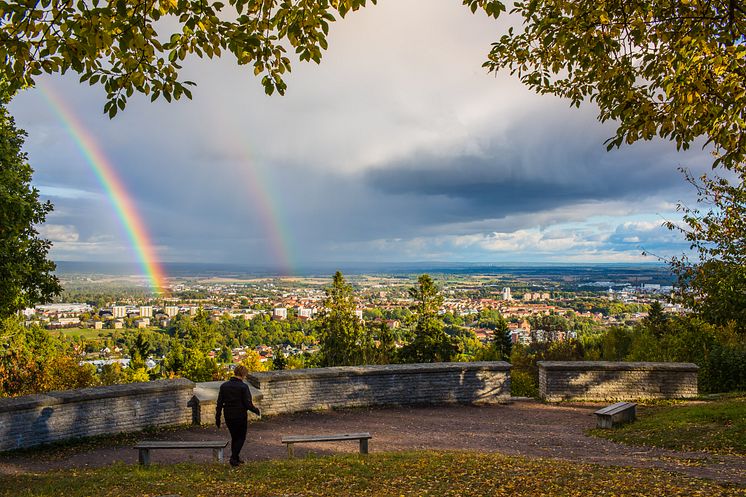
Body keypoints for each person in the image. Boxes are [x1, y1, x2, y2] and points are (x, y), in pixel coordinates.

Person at [216, 365, 261, 466]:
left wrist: (217, 418)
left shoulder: (224, 386)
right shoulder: (243, 387)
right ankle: (233, 458)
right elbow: (248, 404)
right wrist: (256, 410)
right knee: (241, 437)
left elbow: (219, 403)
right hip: (240, 416)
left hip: (228, 415)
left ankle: (236, 458)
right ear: (244, 374)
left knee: (234, 437)